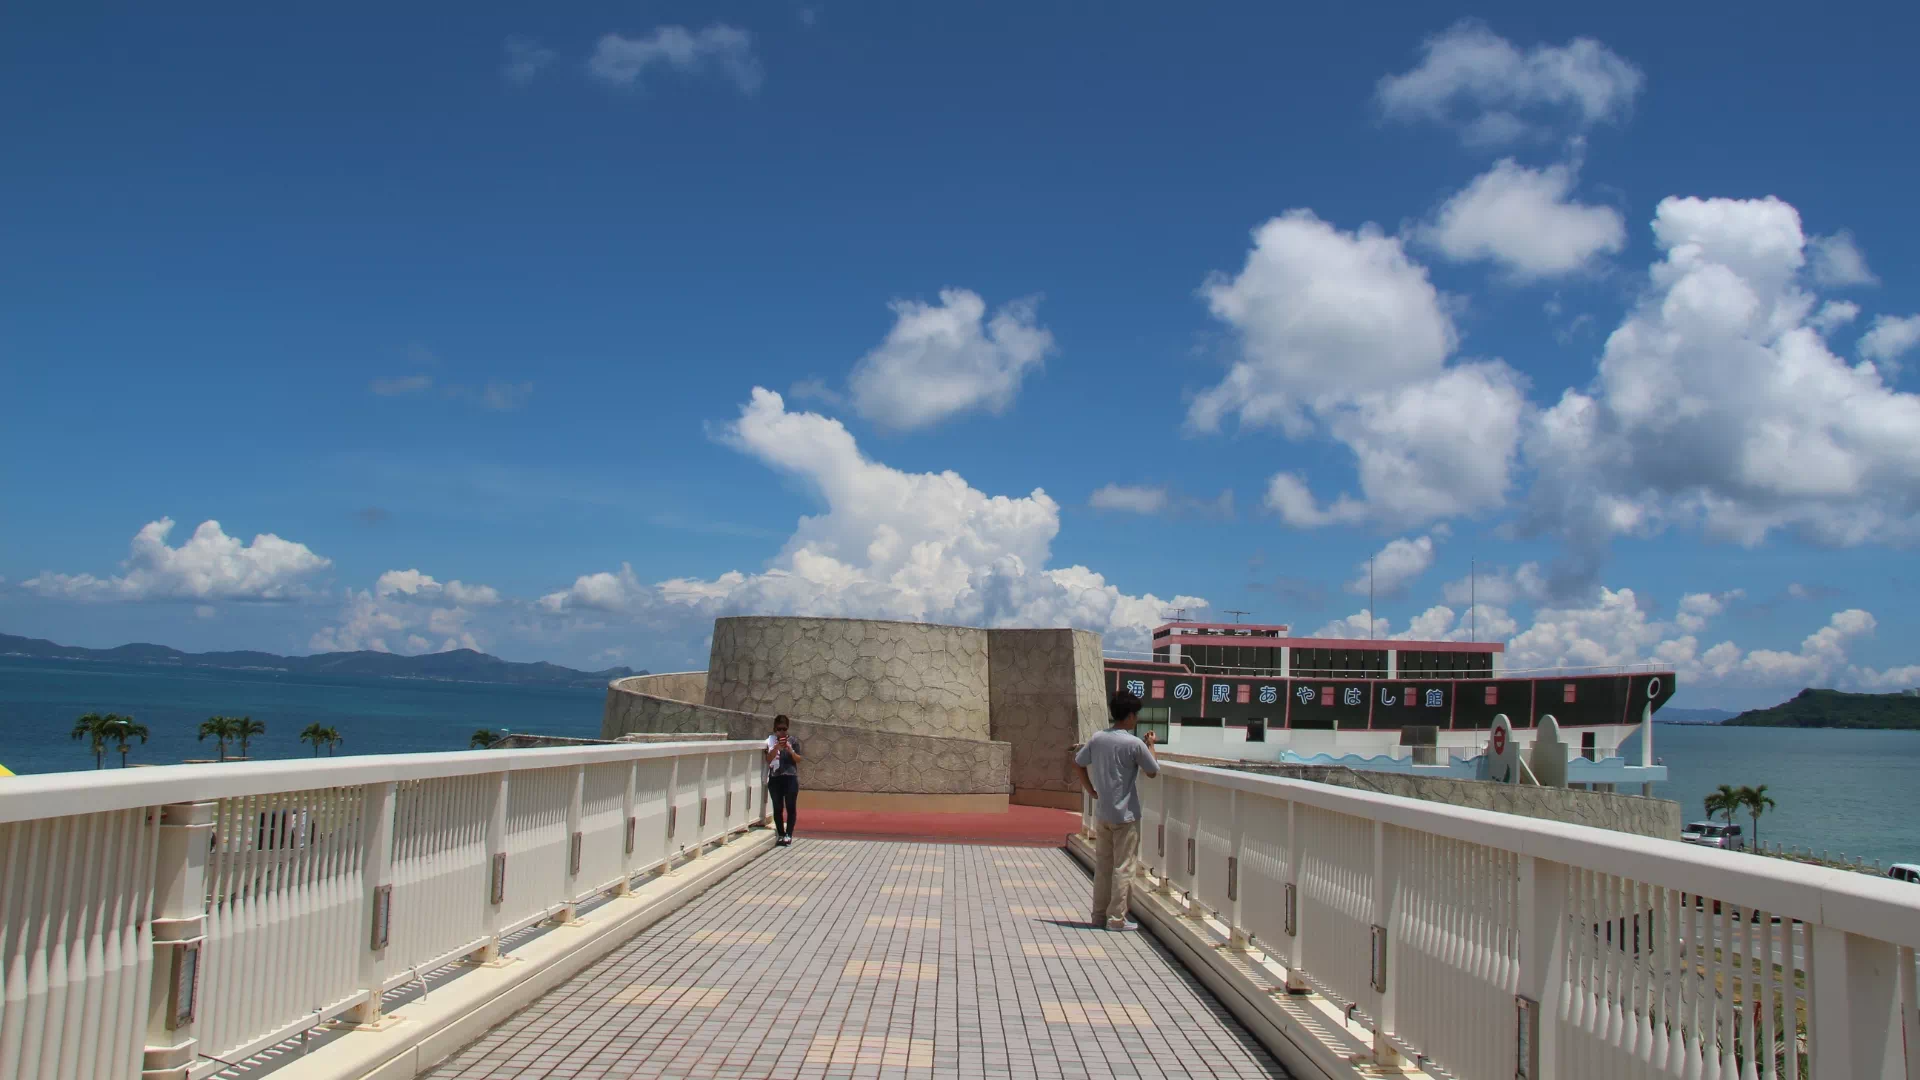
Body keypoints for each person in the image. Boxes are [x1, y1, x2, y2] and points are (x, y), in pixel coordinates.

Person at [1072, 689, 1159, 930]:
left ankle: (1098, 916)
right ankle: (1116, 918)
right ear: (1130, 716)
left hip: (1103, 813)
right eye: (1136, 715)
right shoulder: (1134, 744)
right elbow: (1152, 771)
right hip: (1126, 814)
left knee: (1103, 867)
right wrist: (1150, 745)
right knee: (1123, 867)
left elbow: (1078, 763)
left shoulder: (1098, 738)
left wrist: (1090, 790)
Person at [764, 715, 803, 846]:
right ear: (775, 729)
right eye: (779, 729)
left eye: (784, 729)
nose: (782, 732)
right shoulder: (770, 742)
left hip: (790, 777)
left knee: (791, 807)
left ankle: (789, 834)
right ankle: (781, 834)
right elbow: (768, 759)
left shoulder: (793, 741)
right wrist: (776, 749)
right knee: (777, 807)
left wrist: (790, 750)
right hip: (775, 778)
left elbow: (799, 759)